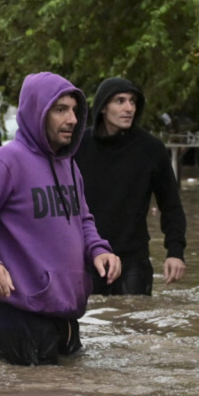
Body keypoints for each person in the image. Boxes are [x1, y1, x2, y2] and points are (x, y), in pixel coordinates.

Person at [0, 72, 121, 366]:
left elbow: (83, 220)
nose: (72, 120)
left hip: (65, 314)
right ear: (36, 112)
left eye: (75, 111)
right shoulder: (5, 162)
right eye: (60, 110)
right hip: (20, 316)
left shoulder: (69, 165)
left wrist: (99, 250)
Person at [75, 77, 187, 295]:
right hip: (86, 257)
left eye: (133, 101)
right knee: (91, 325)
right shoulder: (78, 147)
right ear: (103, 107)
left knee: (135, 324)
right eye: (120, 101)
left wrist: (175, 251)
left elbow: (171, 204)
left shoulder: (151, 149)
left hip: (133, 259)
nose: (129, 108)